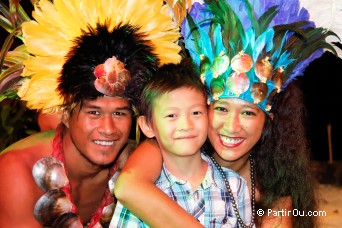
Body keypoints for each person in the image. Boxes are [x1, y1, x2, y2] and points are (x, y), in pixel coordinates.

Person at [113, 0, 339, 227]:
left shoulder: (273, 191)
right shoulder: (169, 147)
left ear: (267, 121)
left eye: (249, 113)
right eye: (221, 108)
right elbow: (128, 186)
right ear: (203, 108)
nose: (232, 126)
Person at [0, 0, 182, 227]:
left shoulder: (136, 163)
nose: (108, 129)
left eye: (119, 114)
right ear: (65, 113)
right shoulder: (16, 172)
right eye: (94, 112)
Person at [110, 58, 252, 227]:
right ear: (147, 126)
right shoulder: (142, 192)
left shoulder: (234, 186)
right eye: (172, 116)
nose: (186, 125)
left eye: (196, 112)